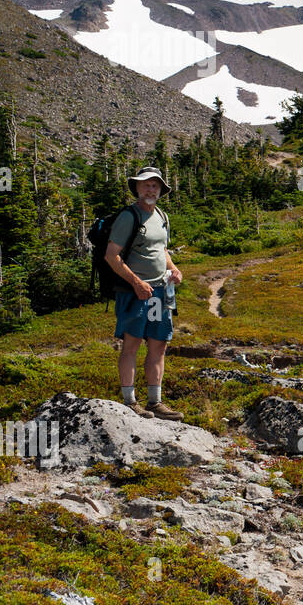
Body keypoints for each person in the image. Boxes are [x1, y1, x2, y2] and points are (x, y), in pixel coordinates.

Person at [106, 166, 184, 421]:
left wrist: (174, 270)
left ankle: (155, 403)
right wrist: (137, 283)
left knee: (158, 344)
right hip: (134, 292)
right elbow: (111, 256)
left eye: (155, 186)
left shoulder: (161, 215)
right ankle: (129, 402)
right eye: (146, 185)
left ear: (161, 190)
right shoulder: (129, 216)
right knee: (132, 344)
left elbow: (162, 250)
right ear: (137, 188)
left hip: (160, 291)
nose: (151, 189)